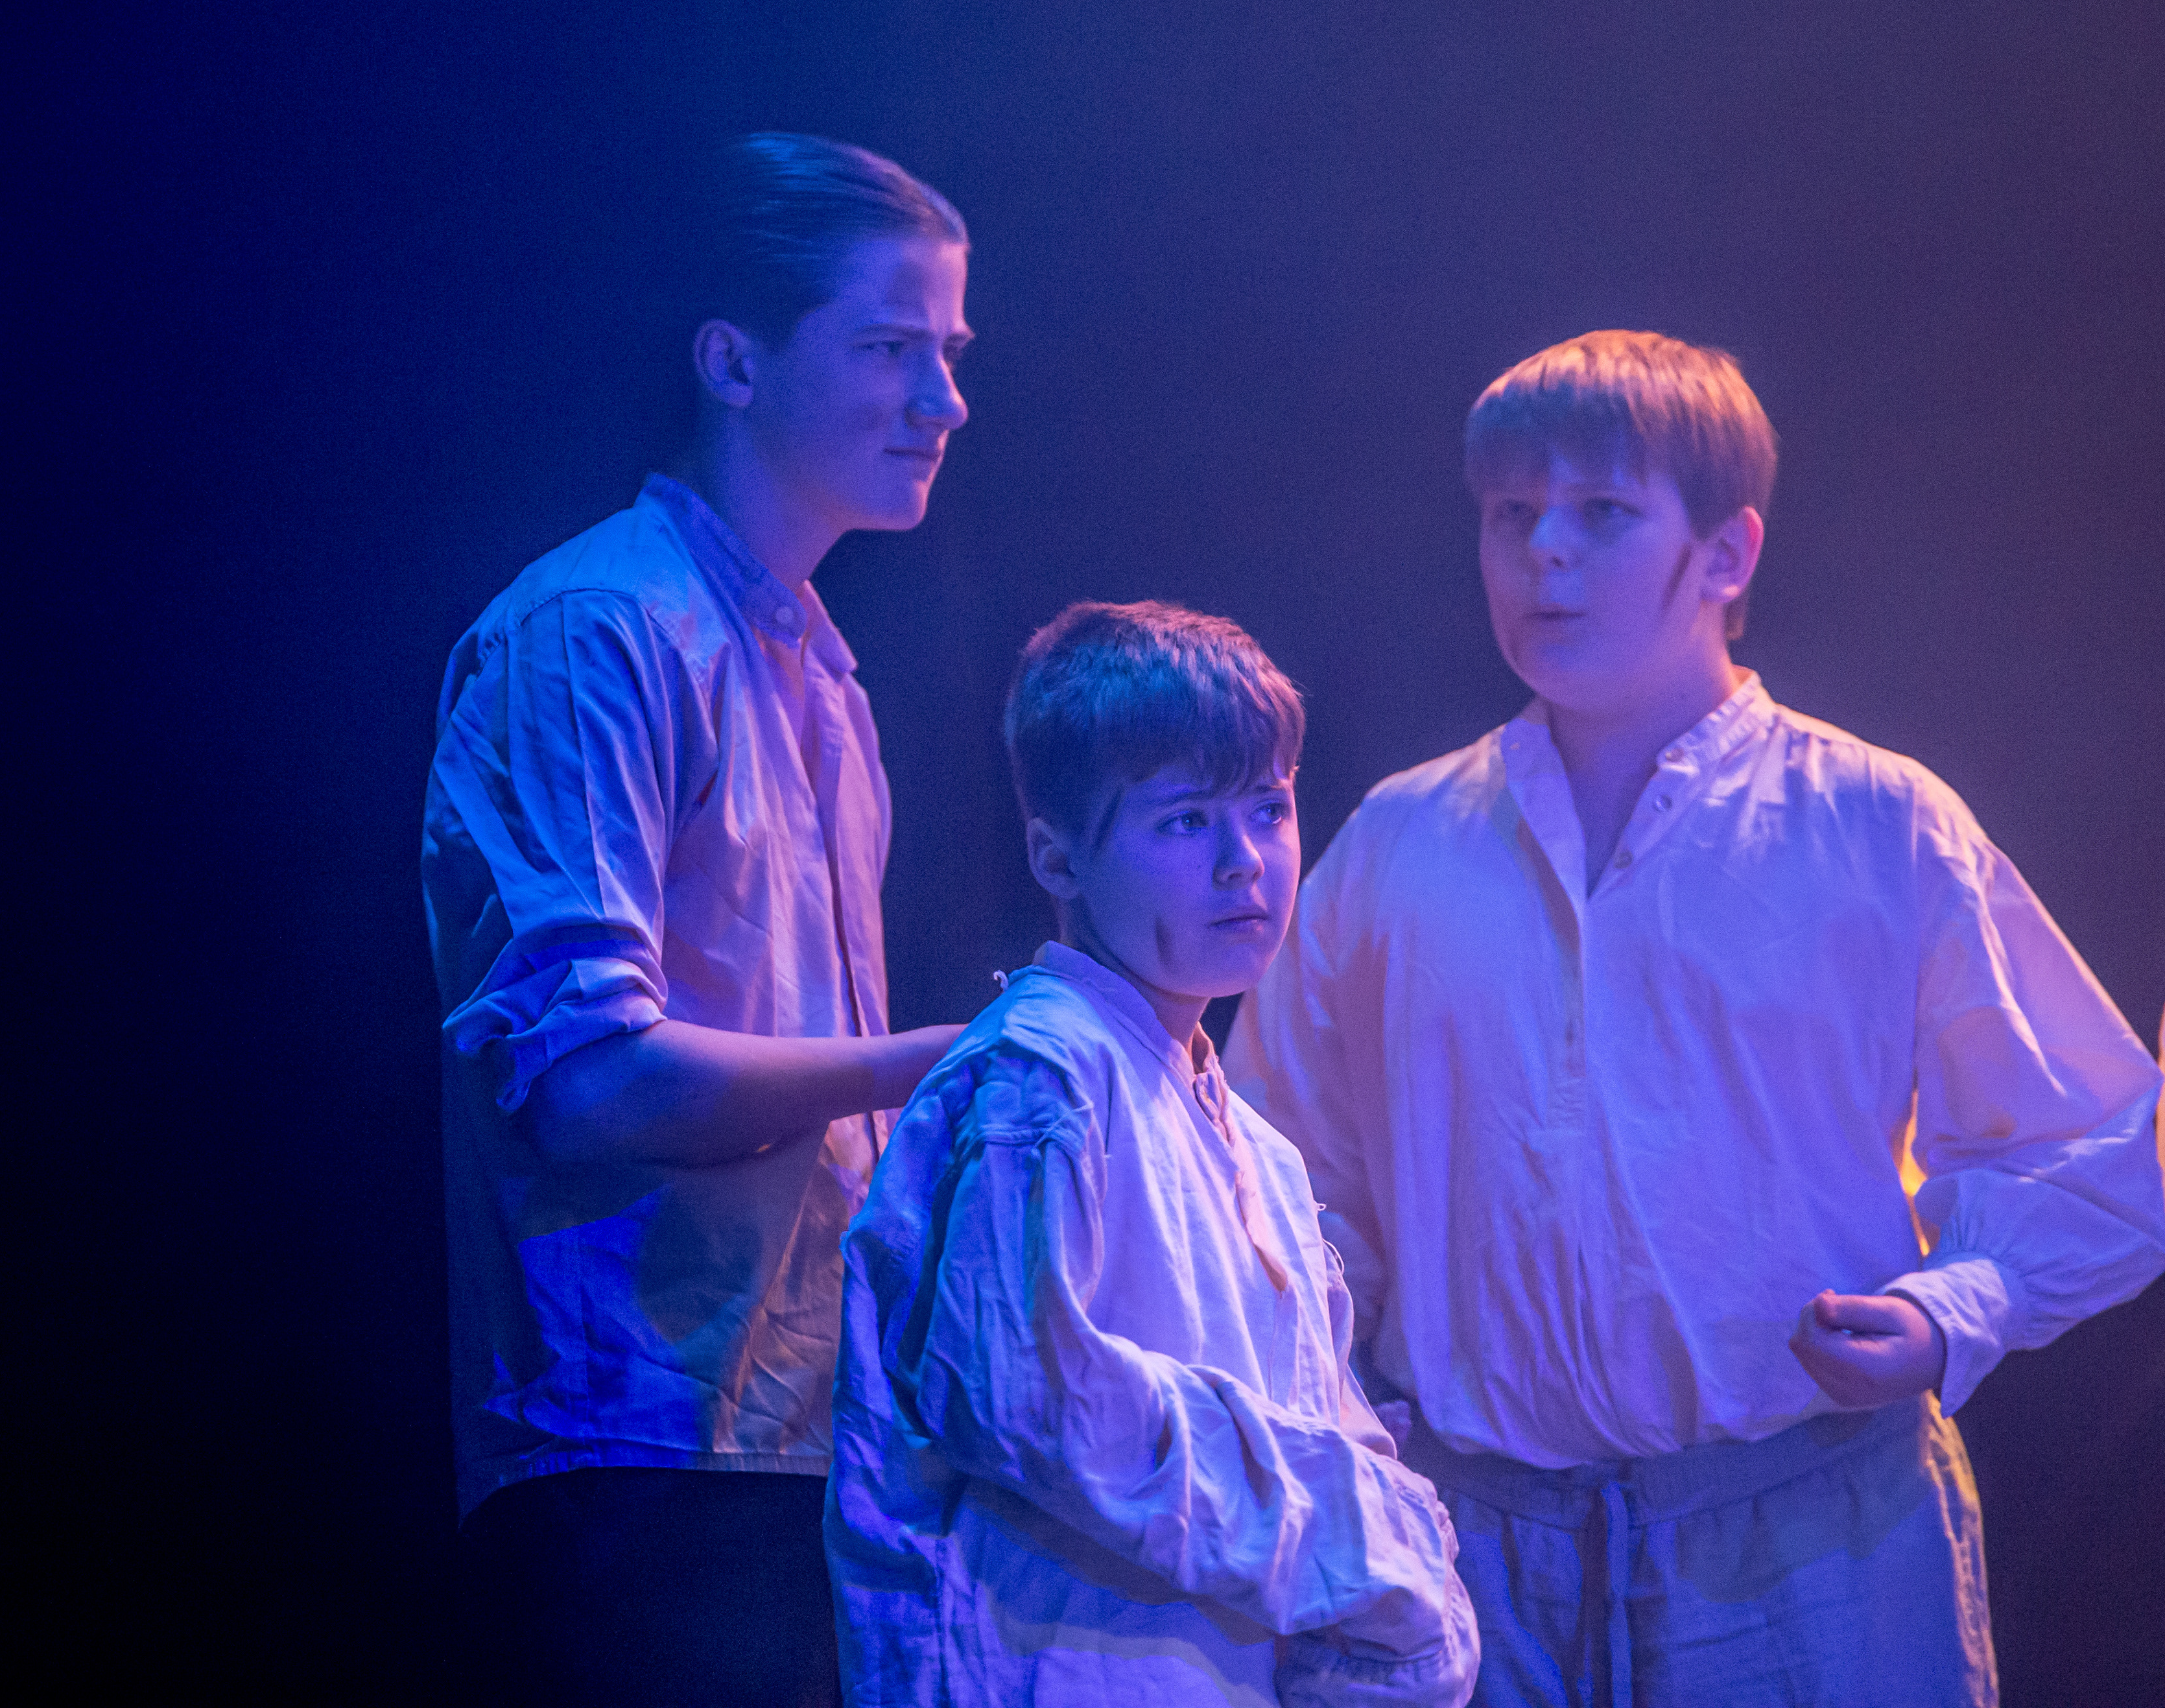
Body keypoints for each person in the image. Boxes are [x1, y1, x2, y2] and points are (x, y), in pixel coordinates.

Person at [1226, 330, 2165, 1707]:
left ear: (1727, 553)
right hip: (1472, 1554)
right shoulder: (1394, 845)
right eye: (1512, 513)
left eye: (1603, 511)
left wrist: (1949, 1312)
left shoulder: (1875, 823)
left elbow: (2095, 1150)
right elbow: (1278, 1190)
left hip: (1808, 1548)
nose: (1546, 550)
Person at [422, 132, 976, 1705]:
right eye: (892, 349)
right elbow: (596, 1083)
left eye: (950, 353)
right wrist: (940, 1058)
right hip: (637, 1460)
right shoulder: (597, 629)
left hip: (810, 1445)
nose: (943, 402)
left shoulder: (825, 676)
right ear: (733, 362)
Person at [829, 600, 1480, 1708]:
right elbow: (1024, 1395)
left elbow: (1349, 1492)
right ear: (1057, 856)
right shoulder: (1041, 1076)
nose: (1244, 862)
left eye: (1269, 809)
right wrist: (1344, 1519)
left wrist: (1387, 1556)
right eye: (1184, 822)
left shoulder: (1259, 1152)